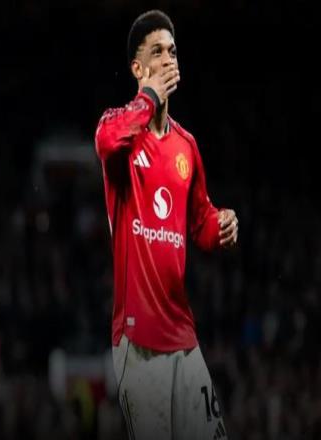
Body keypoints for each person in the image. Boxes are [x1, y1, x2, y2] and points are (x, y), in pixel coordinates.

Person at [94, 9, 238, 440]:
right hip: (137, 341)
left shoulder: (186, 146)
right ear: (138, 69)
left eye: (172, 51)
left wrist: (222, 225)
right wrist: (149, 99)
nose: (169, 59)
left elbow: (200, 223)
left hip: (183, 336)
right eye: (157, 52)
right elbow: (105, 142)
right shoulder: (118, 130)